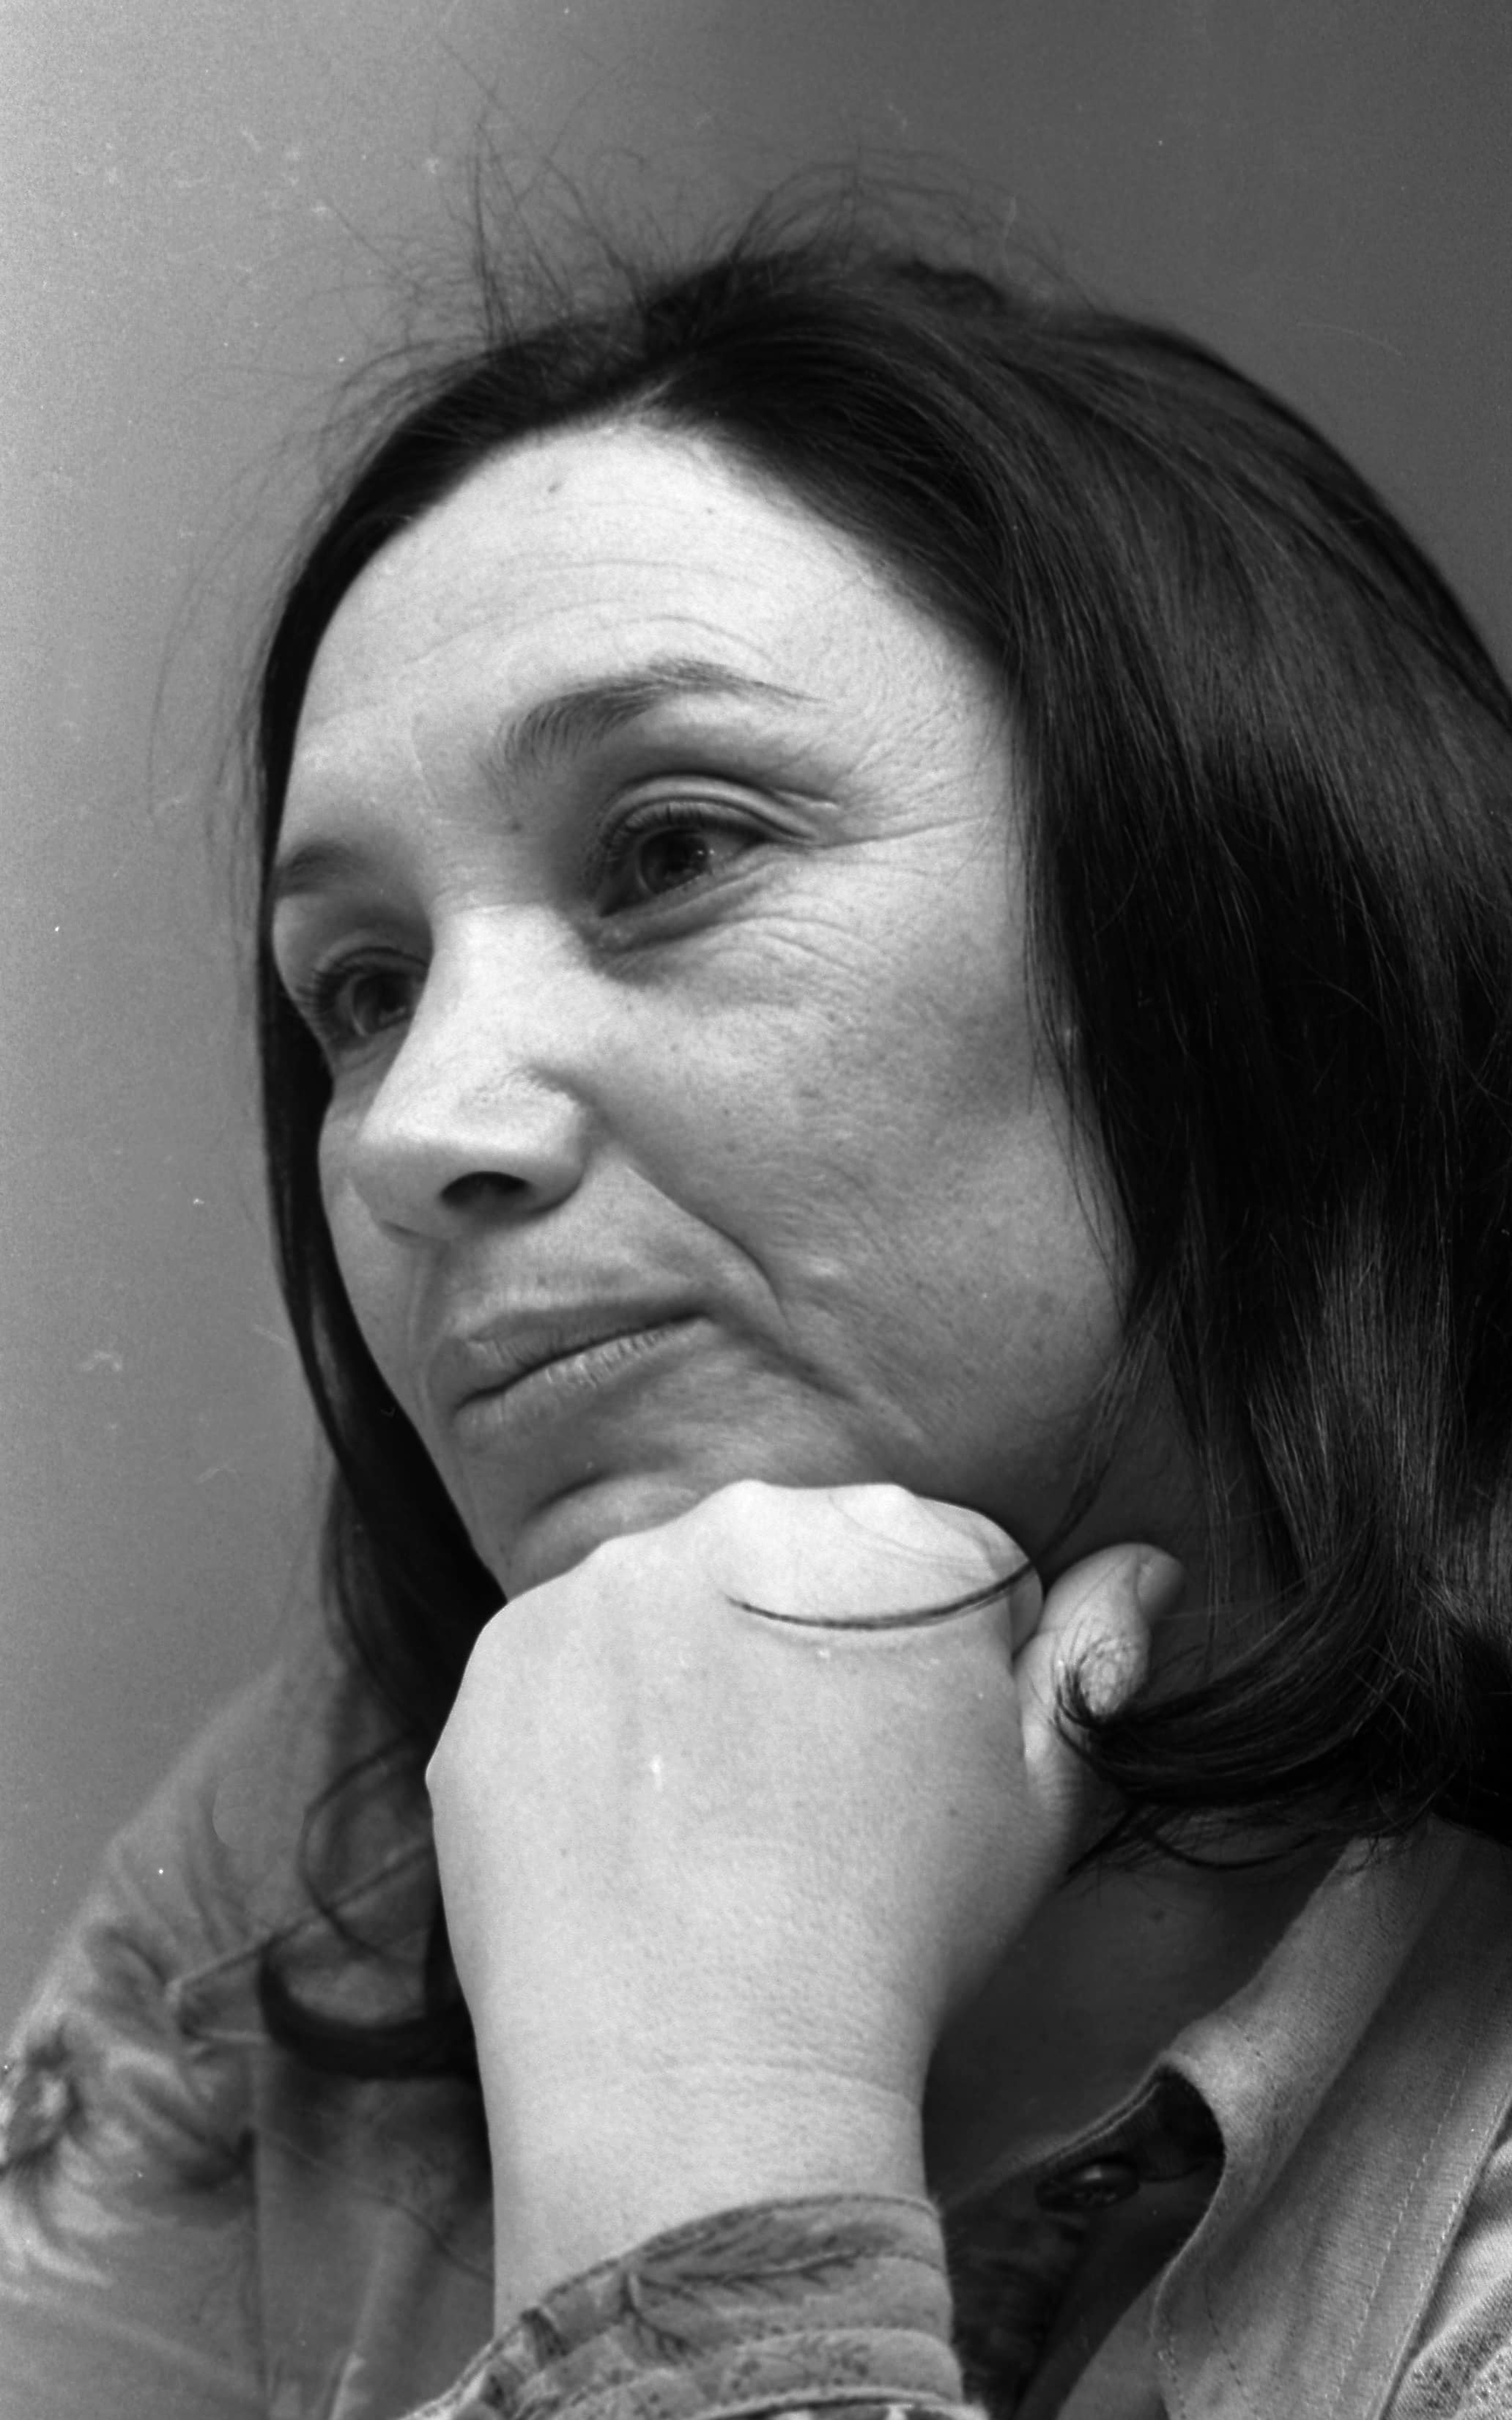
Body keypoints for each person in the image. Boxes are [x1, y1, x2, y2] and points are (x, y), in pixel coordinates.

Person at [4, 193, 1512, 2420]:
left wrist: (707, 2151)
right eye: (362, 989)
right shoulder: (313, 1848)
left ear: (1246, 920)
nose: (419, 1128)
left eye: (673, 851)